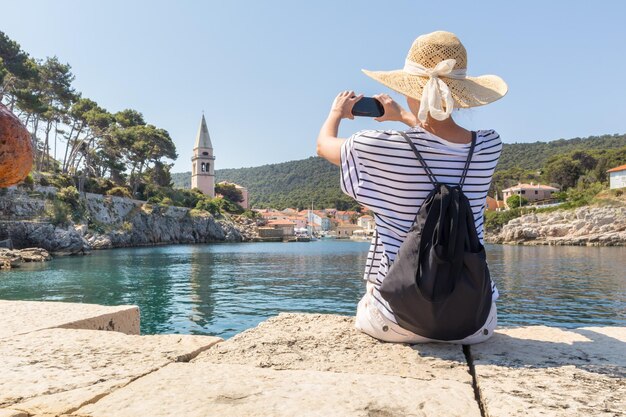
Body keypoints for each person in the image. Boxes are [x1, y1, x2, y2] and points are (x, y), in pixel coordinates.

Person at [316, 31, 507, 344]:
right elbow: (441, 142)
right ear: (460, 94)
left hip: (396, 320)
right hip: (476, 324)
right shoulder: (487, 145)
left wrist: (336, 112)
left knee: (369, 298)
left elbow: (323, 146)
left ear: (409, 88)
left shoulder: (376, 146)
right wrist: (405, 117)